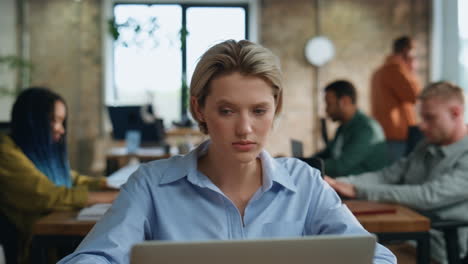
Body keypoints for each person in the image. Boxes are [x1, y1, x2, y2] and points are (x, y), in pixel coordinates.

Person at [57, 40, 396, 264]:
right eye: (227, 111)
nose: (245, 128)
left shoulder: (305, 183)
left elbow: (378, 257)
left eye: (259, 111)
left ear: (275, 108)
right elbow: (91, 258)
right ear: (199, 109)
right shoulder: (151, 185)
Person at [326, 81, 468, 263]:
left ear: (455, 113)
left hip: (437, 250)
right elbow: (387, 176)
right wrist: (339, 183)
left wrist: (357, 190)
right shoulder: (426, 145)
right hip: (405, 238)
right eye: (422, 117)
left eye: (430, 118)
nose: (422, 126)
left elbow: (427, 195)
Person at [0, 87, 119, 264]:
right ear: (32, 121)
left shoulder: (36, 153)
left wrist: (107, 185)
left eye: (62, 122)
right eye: (55, 121)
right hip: (30, 252)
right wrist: (109, 197)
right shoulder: (5, 152)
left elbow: (71, 179)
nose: (61, 130)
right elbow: (48, 195)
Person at [301, 80, 388, 177]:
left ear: (344, 101)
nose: (326, 110)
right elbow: (327, 153)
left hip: (362, 186)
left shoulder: (367, 129)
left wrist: (303, 164)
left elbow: (340, 167)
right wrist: (299, 161)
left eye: (329, 104)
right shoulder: (343, 127)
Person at [371, 36, 421, 163]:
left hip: (386, 134)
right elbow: (416, 96)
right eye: (414, 53)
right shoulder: (395, 70)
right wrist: (411, 70)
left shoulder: (380, 71)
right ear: (407, 51)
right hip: (397, 135)